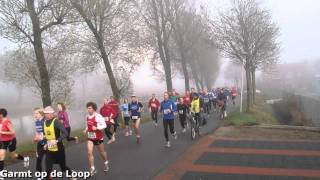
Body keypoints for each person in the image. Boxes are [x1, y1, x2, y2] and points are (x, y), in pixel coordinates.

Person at [42, 106, 75, 180]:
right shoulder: (44, 122)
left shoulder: (56, 121)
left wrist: (56, 141)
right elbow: (46, 135)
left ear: (51, 114)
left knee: (63, 168)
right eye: (45, 113)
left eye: (47, 113)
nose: (45, 115)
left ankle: (70, 173)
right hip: (49, 149)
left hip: (59, 149)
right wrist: (45, 143)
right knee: (47, 169)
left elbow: (65, 133)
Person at [84, 102, 109, 176]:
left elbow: (104, 125)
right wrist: (85, 129)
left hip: (98, 137)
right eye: (87, 108)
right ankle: (92, 168)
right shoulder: (87, 116)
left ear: (93, 109)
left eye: (90, 108)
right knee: (89, 152)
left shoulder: (98, 116)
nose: (88, 110)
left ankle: (106, 162)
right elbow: (87, 125)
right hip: (90, 137)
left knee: (102, 152)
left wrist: (97, 128)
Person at [33, 108, 46, 173]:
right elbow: (37, 132)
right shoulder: (36, 122)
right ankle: (39, 176)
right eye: (34, 113)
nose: (35, 115)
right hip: (40, 144)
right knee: (38, 159)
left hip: (47, 144)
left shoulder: (45, 122)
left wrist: (40, 137)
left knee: (56, 161)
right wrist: (36, 138)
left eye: (37, 113)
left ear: (41, 114)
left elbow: (49, 135)